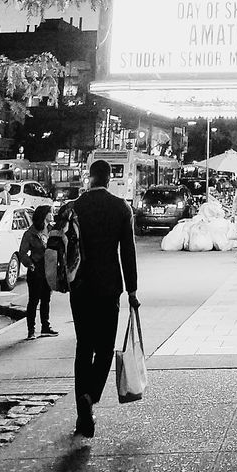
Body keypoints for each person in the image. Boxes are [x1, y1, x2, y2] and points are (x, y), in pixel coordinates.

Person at [62, 158, 139, 438]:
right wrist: (132, 290)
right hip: (109, 288)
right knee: (105, 348)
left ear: (90, 178)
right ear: (108, 179)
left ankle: (81, 405)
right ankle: (91, 396)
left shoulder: (75, 208)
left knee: (84, 347)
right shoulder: (121, 208)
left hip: (80, 287)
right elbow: (127, 253)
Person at [18, 204, 58, 340]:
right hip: (36, 268)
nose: (52, 215)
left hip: (49, 268)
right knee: (34, 300)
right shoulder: (30, 233)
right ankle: (31, 330)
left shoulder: (52, 229)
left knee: (46, 298)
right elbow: (22, 252)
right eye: (50, 212)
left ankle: (45, 327)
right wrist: (29, 264)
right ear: (43, 215)